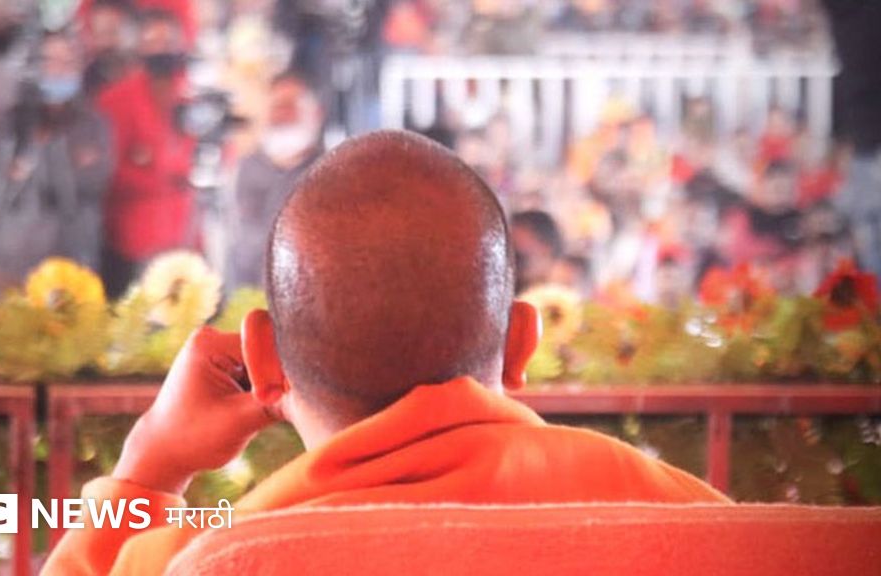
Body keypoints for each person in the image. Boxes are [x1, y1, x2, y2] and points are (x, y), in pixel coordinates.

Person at [41, 130, 728, 576]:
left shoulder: (209, 558)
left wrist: (149, 470)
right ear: (522, 341)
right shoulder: (688, 524)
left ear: (266, 364)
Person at [0, 30, 112, 298]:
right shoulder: (5, 122)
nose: (57, 69)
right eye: (49, 60)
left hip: (69, 263)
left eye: (67, 62)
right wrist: (19, 171)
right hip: (10, 259)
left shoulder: (93, 125)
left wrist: (44, 160)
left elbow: (93, 181)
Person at [98, 9, 196, 297]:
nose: (160, 49)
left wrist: (154, 164)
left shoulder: (195, 92)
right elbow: (110, 170)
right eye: (152, 42)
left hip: (187, 235)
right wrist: (168, 175)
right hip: (130, 240)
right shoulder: (115, 99)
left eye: (168, 42)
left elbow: (213, 154)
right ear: (139, 46)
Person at [226, 71, 324, 290]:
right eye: (276, 107)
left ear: (316, 113)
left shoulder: (333, 171)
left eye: (289, 107)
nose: (281, 115)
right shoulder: (247, 168)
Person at [511, 210, 564, 294]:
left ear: (545, 249)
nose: (512, 264)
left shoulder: (560, 298)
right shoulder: (509, 293)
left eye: (519, 256)